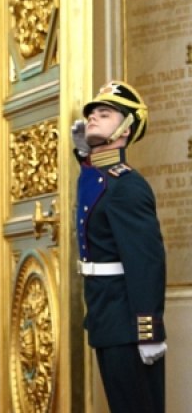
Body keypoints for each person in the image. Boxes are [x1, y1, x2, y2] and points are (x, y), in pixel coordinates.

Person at [72, 80, 167, 412]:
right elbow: (93, 194)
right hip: (107, 317)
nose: (92, 118)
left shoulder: (128, 186)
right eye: (91, 113)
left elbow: (147, 263)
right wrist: (84, 156)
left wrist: (148, 330)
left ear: (125, 129)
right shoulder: (102, 178)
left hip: (128, 323)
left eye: (104, 114)